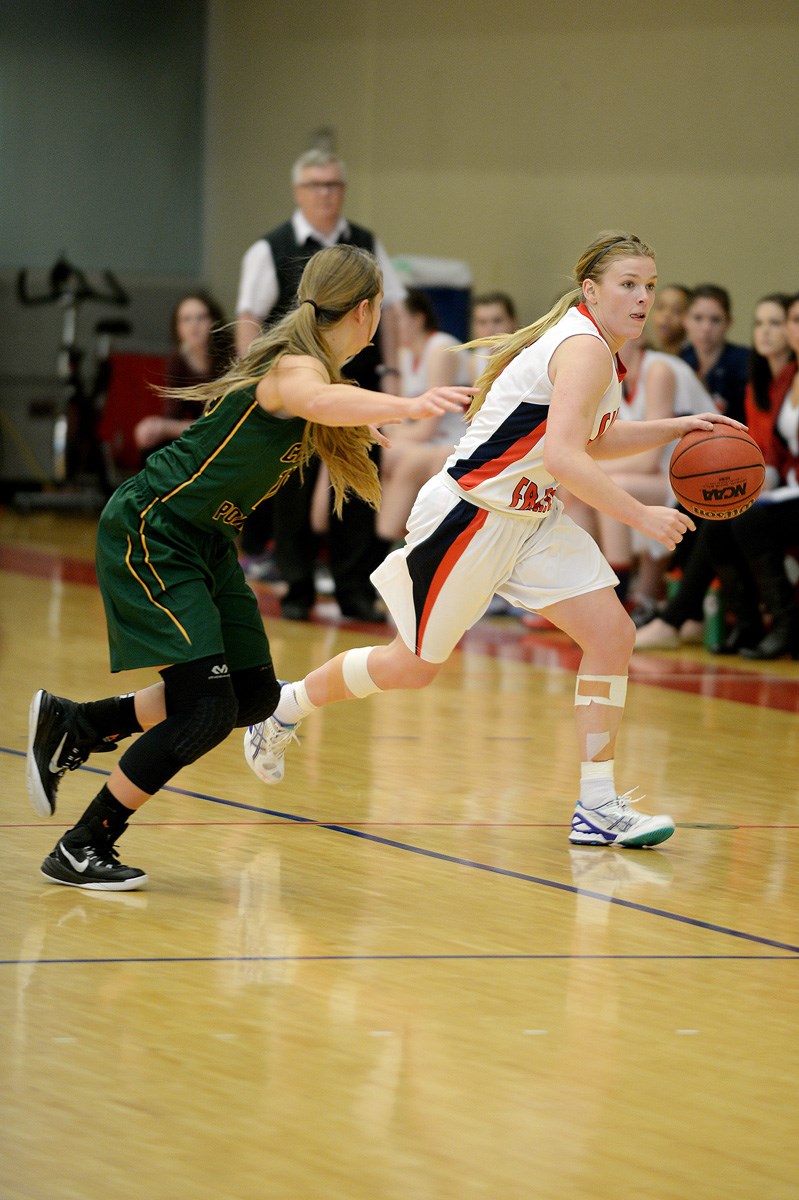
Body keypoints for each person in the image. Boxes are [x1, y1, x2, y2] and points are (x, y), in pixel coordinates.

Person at [243, 232, 744, 850]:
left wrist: (680, 427)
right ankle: (284, 706)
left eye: (650, 285)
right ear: (591, 291)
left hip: (528, 520)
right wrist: (642, 515)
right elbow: (565, 456)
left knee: (613, 634)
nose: (644, 298)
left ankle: (596, 804)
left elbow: (592, 440)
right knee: (411, 668)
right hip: (471, 518)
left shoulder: (599, 347)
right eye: (629, 285)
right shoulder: (584, 347)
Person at [24, 246, 472, 891]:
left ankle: (84, 722)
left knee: (255, 695)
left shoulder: (315, 372)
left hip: (205, 543)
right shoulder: (295, 369)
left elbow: (329, 403)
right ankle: (83, 843)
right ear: (368, 310)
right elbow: (318, 399)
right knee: (205, 710)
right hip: (156, 531)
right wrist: (410, 404)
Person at [235, 149, 406, 623]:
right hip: (297, 388)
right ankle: (298, 584)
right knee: (293, 484)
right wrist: (252, 376)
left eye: (333, 184)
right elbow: (249, 315)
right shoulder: (271, 247)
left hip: (358, 382)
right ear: (298, 191)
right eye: (316, 185)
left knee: (356, 482)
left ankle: (353, 589)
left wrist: (391, 372)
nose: (326, 193)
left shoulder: (366, 243)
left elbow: (390, 311)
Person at [635, 293, 797, 652]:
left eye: (778, 322)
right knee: (701, 509)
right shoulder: (764, 381)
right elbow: (767, 452)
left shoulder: (751, 370)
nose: (769, 331)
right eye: (761, 323)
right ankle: (735, 621)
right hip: (779, 487)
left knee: (733, 517)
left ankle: (678, 617)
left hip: (783, 489)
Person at [562, 334, 711, 623]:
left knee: (606, 486)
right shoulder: (606, 373)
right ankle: (576, 591)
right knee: (572, 490)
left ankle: (621, 598)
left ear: (639, 338)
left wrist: (590, 473)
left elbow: (649, 460)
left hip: (701, 472)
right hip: (658, 473)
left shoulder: (658, 371)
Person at [376, 289, 472, 542]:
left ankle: (389, 539)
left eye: (397, 319)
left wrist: (391, 434)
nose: (390, 327)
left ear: (417, 319)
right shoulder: (403, 356)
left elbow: (425, 428)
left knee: (392, 455)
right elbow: (397, 415)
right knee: (373, 450)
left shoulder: (440, 347)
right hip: (426, 440)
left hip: (453, 441)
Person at [133, 291, 232, 460]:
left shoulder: (230, 355)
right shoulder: (178, 360)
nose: (194, 326)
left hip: (228, 433)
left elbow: (226, 419)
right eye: (186, 319)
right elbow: (173, 413)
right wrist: (159, 427)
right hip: (198, 432)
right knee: (150, 439)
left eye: (201, 318)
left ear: (214, 322)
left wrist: (165, 427)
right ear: (177, 328)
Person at [680, 284, 750, 423]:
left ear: (728, 322)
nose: (706, 328)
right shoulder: (680, 362)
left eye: (715, 320)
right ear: (685, 320)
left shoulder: (745, 362)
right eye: (698, 318)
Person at [649, 284, 691, 356]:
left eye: (676, 310)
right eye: (660, 307)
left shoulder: (693, 360)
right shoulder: (650, 355)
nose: (666, 315)